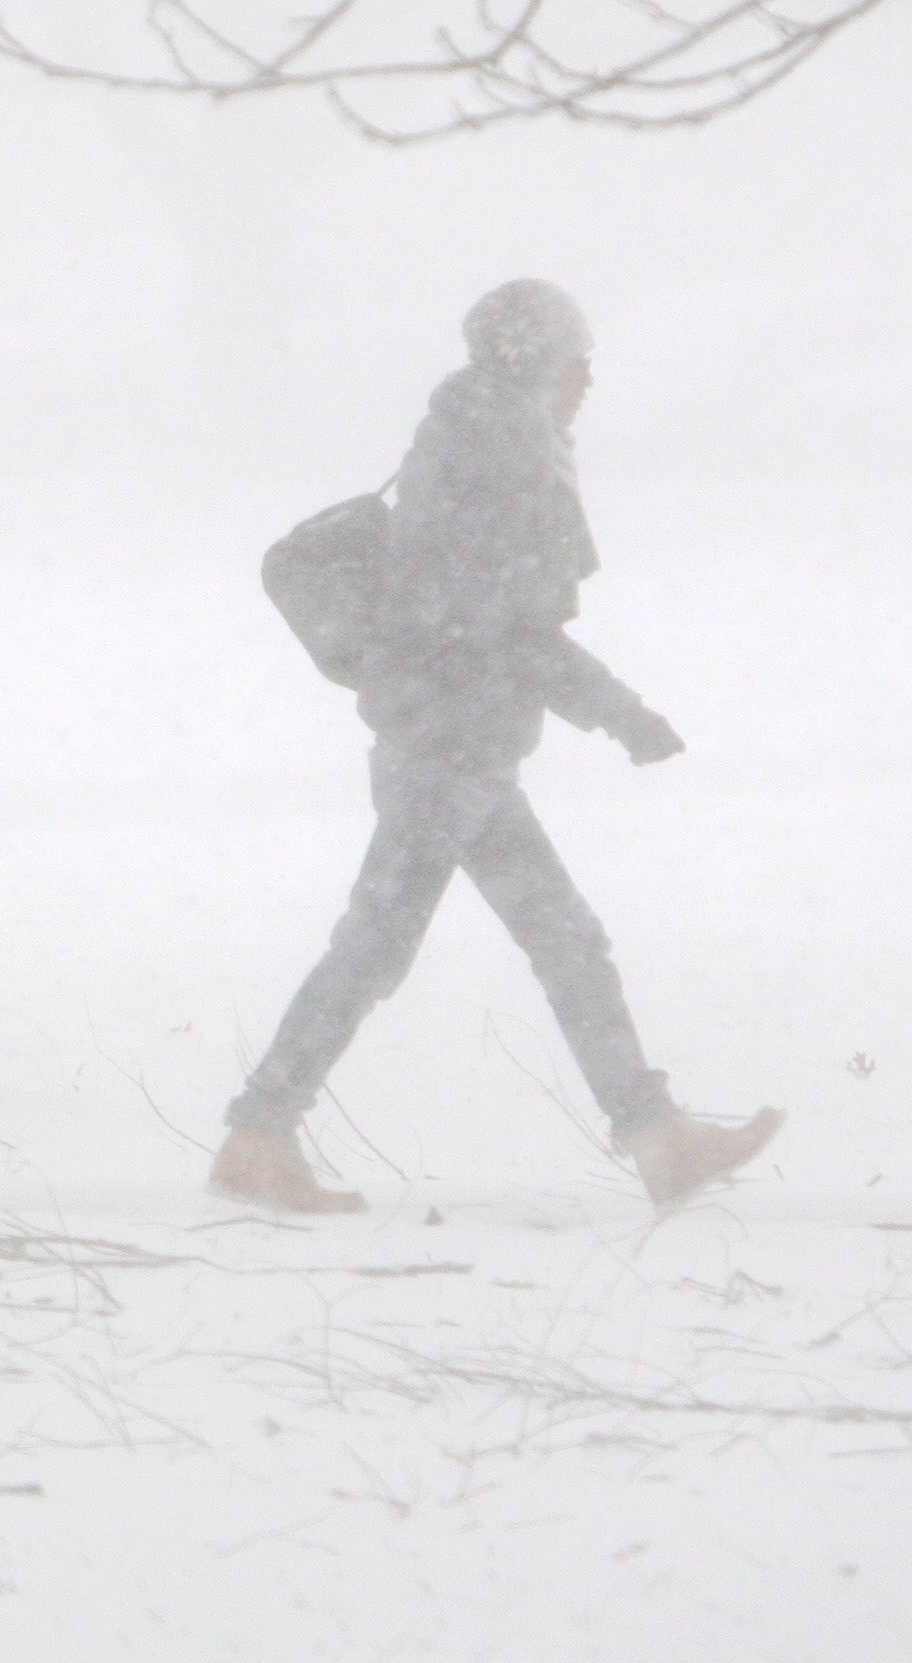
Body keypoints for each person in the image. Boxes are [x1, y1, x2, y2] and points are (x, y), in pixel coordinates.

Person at [213, 277, 782, 1216]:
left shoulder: (474, 439)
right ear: (535, 364)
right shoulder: (495, 453)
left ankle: (657, 1138)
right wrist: (620, 711)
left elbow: (488, 616)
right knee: (384, 947)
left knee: (551, 939)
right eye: (575, 357)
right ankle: (257, 1134)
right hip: (448, 743)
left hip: (454, 738)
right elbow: (505, 625)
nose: (590, 377)